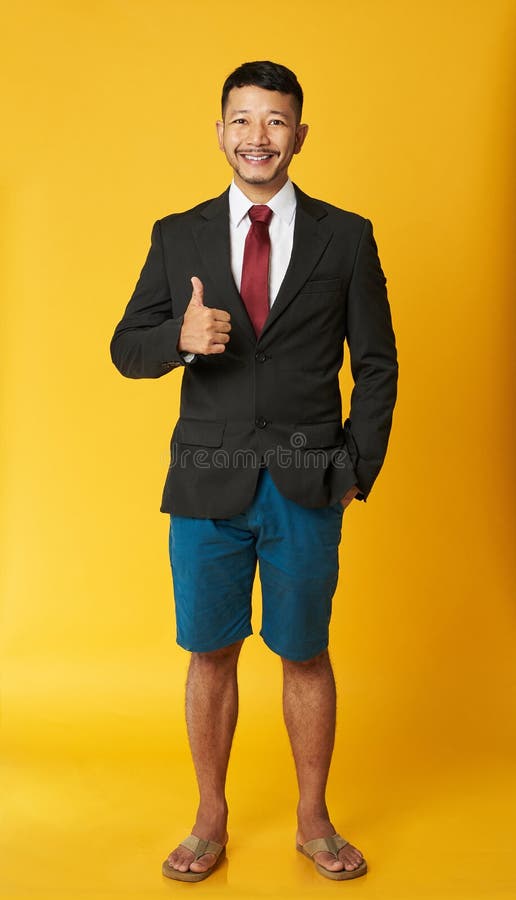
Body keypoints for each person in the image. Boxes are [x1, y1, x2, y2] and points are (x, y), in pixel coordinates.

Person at [110, 60, 398, 883]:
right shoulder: (179, 234)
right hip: (207, 483)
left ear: (299, 136)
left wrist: (355, 464)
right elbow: (126, 347)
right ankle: (210, 819)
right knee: (211, 653)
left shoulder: (347, 236)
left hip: (309, 485)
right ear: (220, 131)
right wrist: (177, 339)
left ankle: (313, 819)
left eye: (275, 121)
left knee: (305, 653)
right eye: (242, 120)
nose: (257, 137)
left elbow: (377, 364)